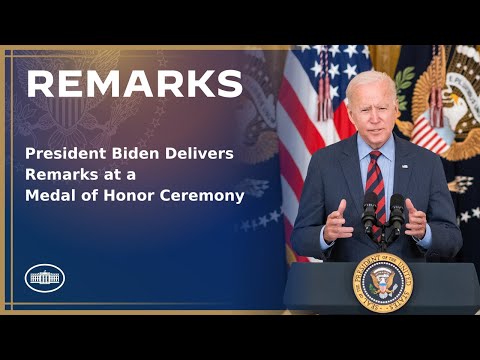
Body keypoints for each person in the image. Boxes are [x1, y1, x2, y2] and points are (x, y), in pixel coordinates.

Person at [291, 70, 462, 262]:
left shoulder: (427, 162)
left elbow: (452, 239)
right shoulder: (324, 162)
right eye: (365, 110)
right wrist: (325, 235)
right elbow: (300, 238)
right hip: (343, 286)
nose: (374, 119)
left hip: (411, 286)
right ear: (351, 114)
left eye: (382, 108)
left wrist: (425, 233)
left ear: (396, 110)